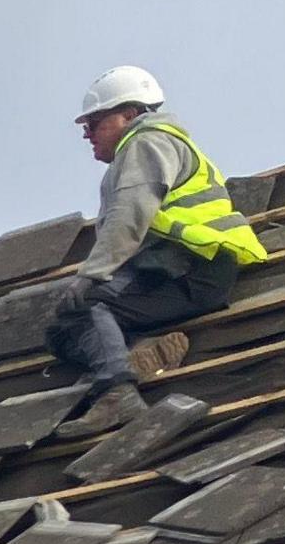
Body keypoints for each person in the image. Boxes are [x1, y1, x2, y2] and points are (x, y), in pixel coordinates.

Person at [48, 65, 269, 439]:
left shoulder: (146, 142)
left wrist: (92, 275)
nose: (87, 134)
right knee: (62, 333)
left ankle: (118, 392)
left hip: (190, 267)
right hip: (175, 269)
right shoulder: (149, 147)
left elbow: (129, 214)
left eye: (95, 122)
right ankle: (140, 353)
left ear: (129, 114)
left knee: (85, 307)